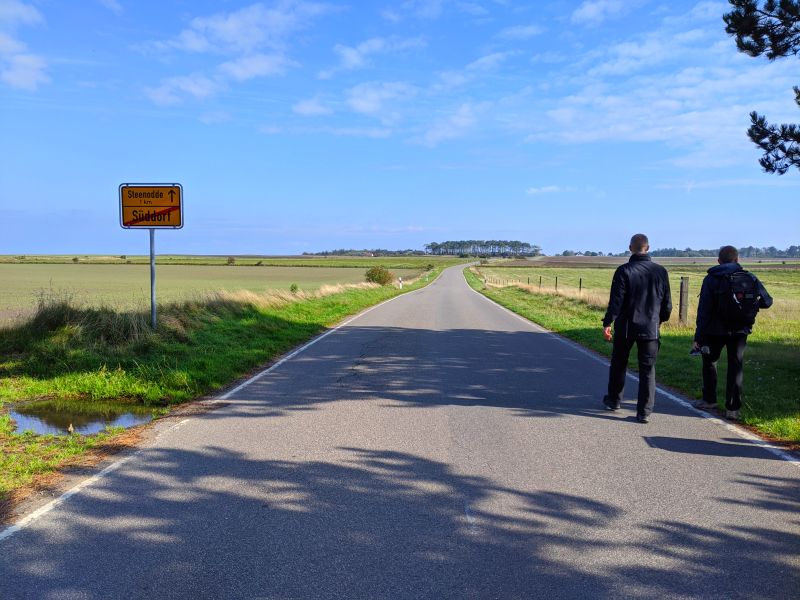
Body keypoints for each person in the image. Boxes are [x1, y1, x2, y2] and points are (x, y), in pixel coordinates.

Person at [692, 245, 772, 421]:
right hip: (740, 330)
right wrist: (750, 306)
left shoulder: (711, 279)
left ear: (718, 261)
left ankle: (709, 399)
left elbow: (704, 310)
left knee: (710, 362)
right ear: (737, 260)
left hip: (714, 330)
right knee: (736, 367)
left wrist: (698, 336)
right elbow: (767, 301)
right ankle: (733, 408)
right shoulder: (749, 277)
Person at [602, 234, 672, 423]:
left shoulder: (623, 270)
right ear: (647, 248)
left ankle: (614, 400)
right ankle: (644, 412)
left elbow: (616, 302)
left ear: (630, 248)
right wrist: (660, 320)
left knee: (619, 364)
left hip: (626, 326)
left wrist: (607, 322)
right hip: (650, 327)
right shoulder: (661, 271)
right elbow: (667, 304)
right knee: (648, 369)